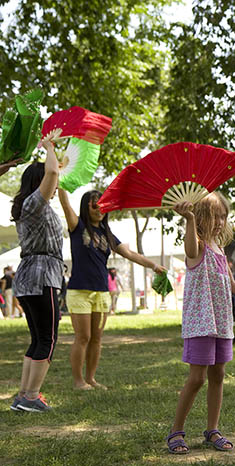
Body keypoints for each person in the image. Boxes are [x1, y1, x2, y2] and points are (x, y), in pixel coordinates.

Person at [166, 194, 235, 455]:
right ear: (201, 216)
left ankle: (212, 429)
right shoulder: (198, 244)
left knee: (218, 376)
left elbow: (231, 284)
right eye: (214, 215)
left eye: (223, 215)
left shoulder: (220, 249)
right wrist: (189, 219)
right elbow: (190, 251)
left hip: (222, 321)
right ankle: (176, 432)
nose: (219, 220)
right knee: (197, 379)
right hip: (201, 322)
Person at [58, 189, 167, 390]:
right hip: (79, 291)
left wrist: (153, 265)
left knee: (96, 339)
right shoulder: (77, 226)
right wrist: (61, 181)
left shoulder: (108, 234)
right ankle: (78, 381)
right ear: (86, 206)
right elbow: (65, 204)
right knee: (83, 337)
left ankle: (90, 379)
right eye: (94, 205)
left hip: (102, 292)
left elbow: (131, 254)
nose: (100, 209)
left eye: (103, 206)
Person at [9, 134, 63, 412]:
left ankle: (23, 396)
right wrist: (49, 147)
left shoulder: (31, 207)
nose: (54, 185)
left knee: (38, 338)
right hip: (42, 277)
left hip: (31, 277)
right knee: (48, 339)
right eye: (48, 182)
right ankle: (31, 396)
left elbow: (55, 172)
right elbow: (52, 171)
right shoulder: (34, 204)